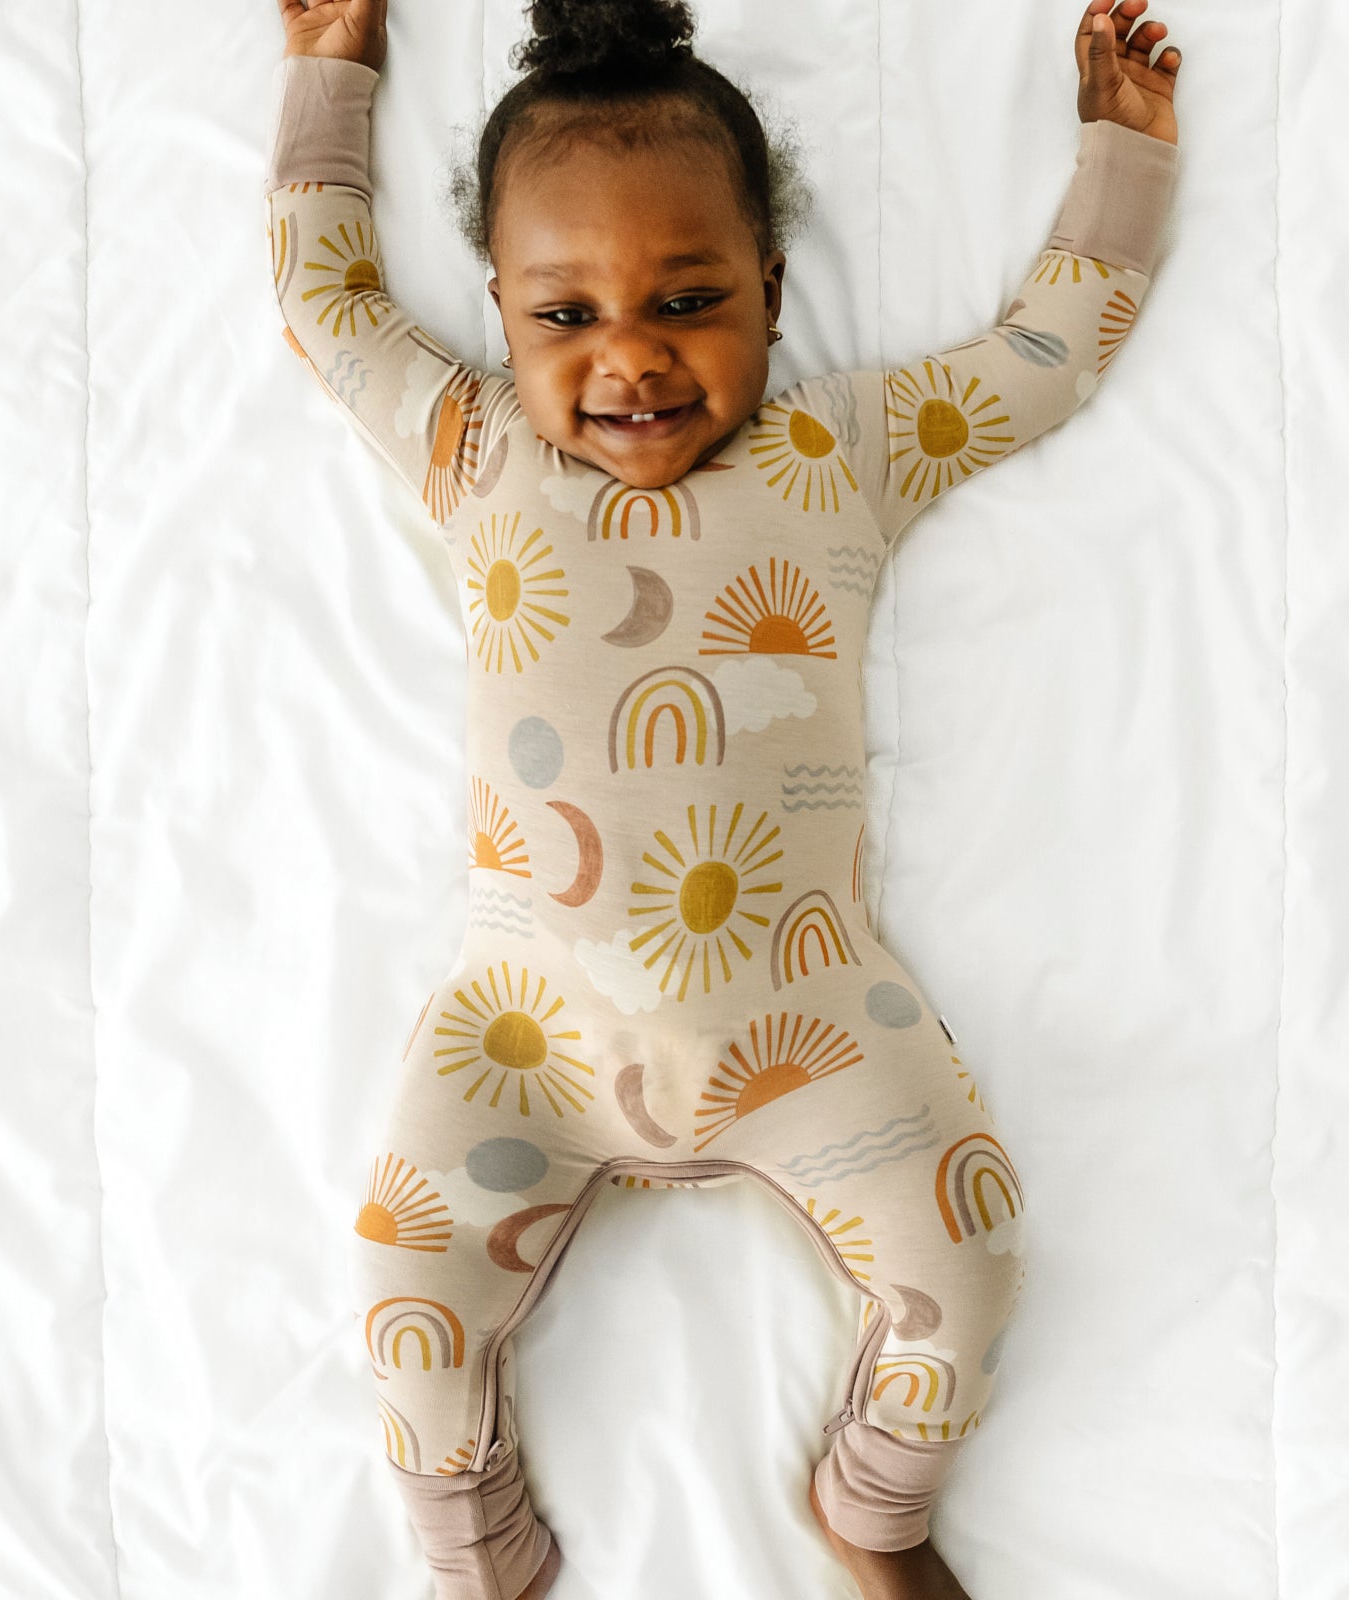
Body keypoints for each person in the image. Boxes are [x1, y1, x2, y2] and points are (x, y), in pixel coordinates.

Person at [264, 1, 1181, 1595]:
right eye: (565, 314)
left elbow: (1047, 356)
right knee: (404, 1308)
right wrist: (329, 72)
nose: (630, 354)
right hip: (524, 1044)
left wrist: (1125, 151)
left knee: (971, 1262)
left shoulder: (840, 449)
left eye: (689, 300)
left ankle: (876, 1509)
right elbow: (327, 305)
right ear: (499, 312)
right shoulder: (478, 450)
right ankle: (478, 1555)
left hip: (814, 1025)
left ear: (772, 281)